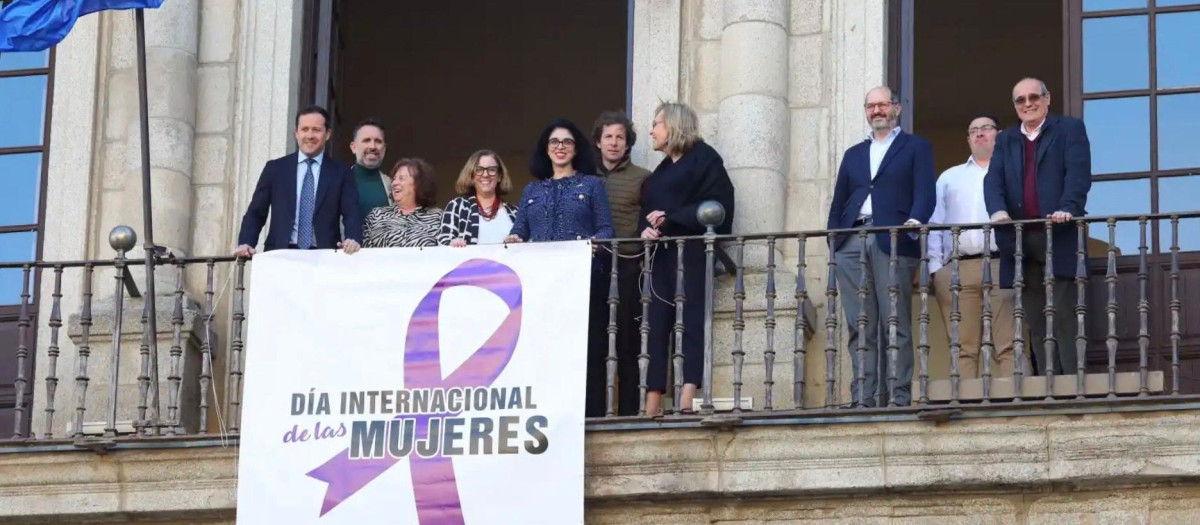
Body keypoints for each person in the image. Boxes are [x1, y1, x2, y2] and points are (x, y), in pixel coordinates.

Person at [827, 86, 935, 407]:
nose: (877, 111)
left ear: (897, 109)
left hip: (893, 239)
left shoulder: (915, 147)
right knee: (859, 324)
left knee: (895, 322)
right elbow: (839, 201)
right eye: (871, 106)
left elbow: (925, 191)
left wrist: (915, 221)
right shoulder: (853, 154)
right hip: (851, 240)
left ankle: (898, 396)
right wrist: (834, 239)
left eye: (883, 105)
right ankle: (864, 397)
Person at [984, 77, 1092, 376]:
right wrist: (998, 212)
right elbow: (993, 180)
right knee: (1036, 318)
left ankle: (1073, 383)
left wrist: (1068, 209)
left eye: (1034, 97)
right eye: (1020, 100)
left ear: (1047, 98)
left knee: (1064, 314)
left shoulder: (1069, 129)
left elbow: (1078, 174)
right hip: (1019, 240)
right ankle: (1048, 384)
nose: (1028, 104)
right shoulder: (1006, 139)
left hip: (1059, 234)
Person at [507, 118, 614, 418]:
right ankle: (546, 412)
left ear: (576, 149)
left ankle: (587, 413)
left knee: (585, 348)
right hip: (542, 284)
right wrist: (514, 239)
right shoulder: (532, 190)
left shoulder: (593, 185)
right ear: (546, 149)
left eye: (567, 142)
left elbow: (606, 229)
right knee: (543, 347)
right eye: (554, 142)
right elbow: (520, 231)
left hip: (583, 280)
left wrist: (594, 243)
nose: (560, 147)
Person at [638, 102, 735, 416]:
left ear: (674, 126)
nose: (651, 131)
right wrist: (646, 232)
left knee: (692, 320)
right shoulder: (660, 171)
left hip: (692, 251)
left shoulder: (705, 159)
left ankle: (688, 394)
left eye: (656, 124)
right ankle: (652, 399)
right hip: (662, 255)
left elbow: (719, 207)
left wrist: (672, 218)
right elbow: (647, 213)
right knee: (656, 325)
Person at [928, 115, 1020, 379]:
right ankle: (964, 405)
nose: (980, 134)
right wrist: (936, 269)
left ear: (998, 135)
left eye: (986, 129)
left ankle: (1012, 409)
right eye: (973, 130)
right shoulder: (950, 177)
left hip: (1002, 264)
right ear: (968, 139)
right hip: (958, 268)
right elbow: (934, 224)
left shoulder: (1011, 174)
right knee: (963, 348)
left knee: (1009, 344)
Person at [235, 105, 361, 256]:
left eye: (316, 130)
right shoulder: (275, 169)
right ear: (296, 133)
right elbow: (256, 212)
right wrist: (246, 242)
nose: (310, 135)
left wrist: (352, 239)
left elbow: (352, 213)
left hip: (325, 256)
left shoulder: (341, 172)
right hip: (281, 253)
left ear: (327, 134)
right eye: (304, 129)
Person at [592, 110, 651, 416]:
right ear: (598, 142)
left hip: (628, 266)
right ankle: (591, 412)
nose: (614, 143)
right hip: (591, 267)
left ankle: (628, 412)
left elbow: (648, 222)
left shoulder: (642, 178)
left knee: (627, 343)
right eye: (608, 137)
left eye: (620, 138)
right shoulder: (584, 177)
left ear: (628, 144)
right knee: (593, 342)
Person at [439, 149, 518, 246]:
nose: (485, 175)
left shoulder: (516, 213)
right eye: (479, 170)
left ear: (499, 176)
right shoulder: (457, 206)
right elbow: (443, 242)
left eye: (492, 170)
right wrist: (453, 244)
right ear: (471, 176)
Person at [363, 158, 442, 248]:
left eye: (401, 178)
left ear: (418, 183)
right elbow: (364, 253)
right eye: (394, 179)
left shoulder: (438, 216)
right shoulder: (376, 215)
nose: (394, 183)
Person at [349, 118, 391, 222]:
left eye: (378, 141)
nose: (373, 146)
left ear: (384, 149)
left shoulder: (393, 186)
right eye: (366, 140)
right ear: (353, 147)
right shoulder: (337, 182)